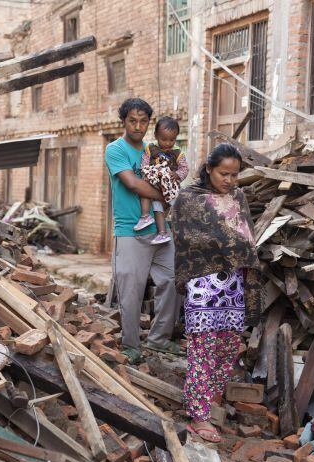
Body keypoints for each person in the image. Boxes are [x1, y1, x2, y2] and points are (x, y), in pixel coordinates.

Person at [171, 143, 262, 443]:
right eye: (224, 173)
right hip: (203, 283)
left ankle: (208, 402)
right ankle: (198, 415)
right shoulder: (189, 199)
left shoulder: (238, 197)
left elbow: (246, 238)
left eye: (235, 175)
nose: (229, 180)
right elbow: (189, 238)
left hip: (233, 285)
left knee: (226, 349)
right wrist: (230, 241)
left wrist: (239, 248)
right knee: (203, 348)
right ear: (209, 169)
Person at [104, 98, 183, 364]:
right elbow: (133, 184)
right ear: (123, 121)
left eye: (143, 121)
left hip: (161, 230)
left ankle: (159, 340)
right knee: (131, 290)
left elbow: (177, 175)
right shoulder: (116, 150)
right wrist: (170, 195)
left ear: (150, 123)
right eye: (132, 120)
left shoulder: (156, 149)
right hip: (129, 231)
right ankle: (131, 346)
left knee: (172, 281)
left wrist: (171, 192)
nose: (138, 126)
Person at [133, 116, 189, 244]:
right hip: (154, 183)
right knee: (146, 194)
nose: (168, 143)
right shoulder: (150, 149)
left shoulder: (178, 153)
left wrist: (178, 174)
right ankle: (147, 218)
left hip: (168, 187)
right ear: (156, 135)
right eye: (164, 139)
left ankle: (164, 232)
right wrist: (147, 174)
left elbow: (185, 168)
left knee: (163, 208)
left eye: (172, 140)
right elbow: (144, 165)